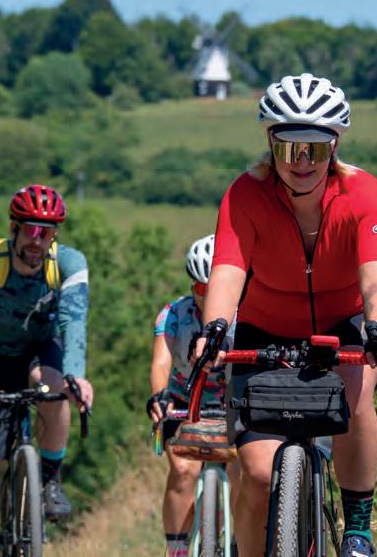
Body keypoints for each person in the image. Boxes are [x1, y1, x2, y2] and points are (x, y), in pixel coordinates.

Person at [193, 73, 377, 557]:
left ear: (336, 146)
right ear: (271, 144)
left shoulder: (366, 195)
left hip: (343, 326)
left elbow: (376, 277)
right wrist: (215, 327)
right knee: (258, 475)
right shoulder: (245, 195)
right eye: (290, 148)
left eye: (316, 148)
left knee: (356, 397)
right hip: (263, 331)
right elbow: (228, 269)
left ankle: (358, 531)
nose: (302, 161)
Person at [0, 184, 94, 557]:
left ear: (55, 235)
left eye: (46, 232)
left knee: (56, 386)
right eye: (30, 230)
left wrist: (76, 375)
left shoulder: (69, 263)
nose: (37, 239)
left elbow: (74, 321)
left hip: (40, 350)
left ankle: (50, 478)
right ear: (14, 228)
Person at [149, 234, 240, 557]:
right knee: (183, 471)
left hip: (232, 401)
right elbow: (161, 362)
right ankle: (176, 549)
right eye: (202, 288)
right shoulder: (174, 314)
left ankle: (239, 540)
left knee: (242, 470)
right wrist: (159, 397)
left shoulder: (245, 315)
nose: (209, 296)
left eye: (216, 287)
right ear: (192, 287)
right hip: (185, 401)